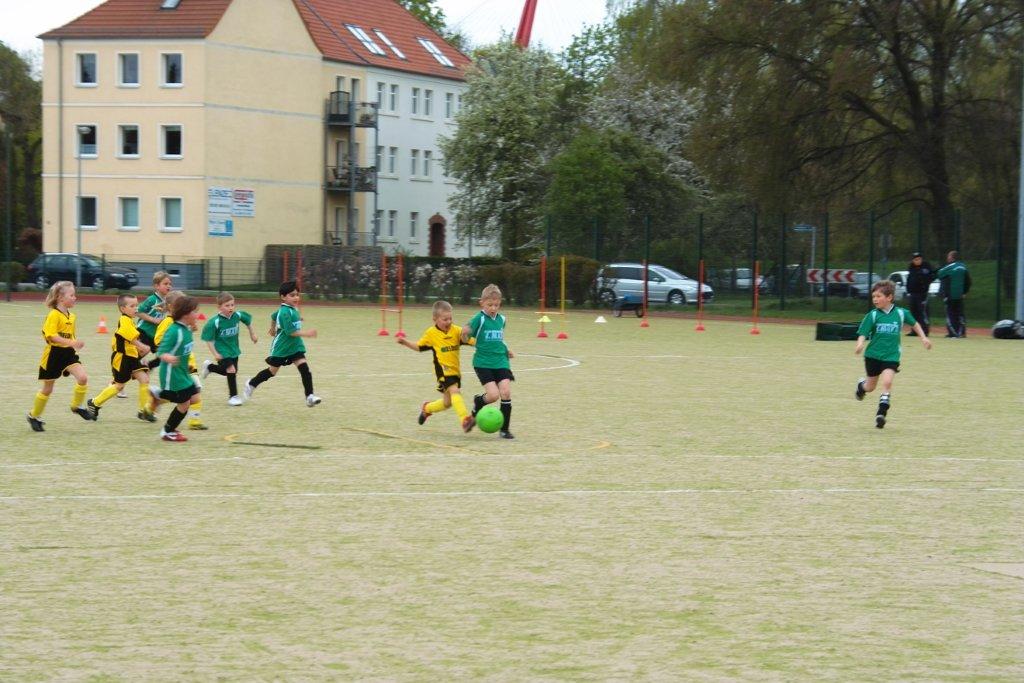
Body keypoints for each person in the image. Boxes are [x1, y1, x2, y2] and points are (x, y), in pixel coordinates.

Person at [854, 280, 932, 428]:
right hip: (872, 356)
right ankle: (861, 387)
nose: (875, 299)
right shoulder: (873, 315)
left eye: (878, 296)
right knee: (870, 387)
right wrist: (860, 343)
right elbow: (863, 332)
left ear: (889, 297)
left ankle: (881, 413)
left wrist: (923, 337)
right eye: (873, 296)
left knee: (887, 382)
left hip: (891, 356)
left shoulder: (901, 313)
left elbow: (915, 324)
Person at [27, 281, 96, 431]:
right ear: (60, 297)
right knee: (48, 389)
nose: (75, 298)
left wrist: (74, 345)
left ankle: (76, 406)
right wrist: (72, 342)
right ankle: (33, 416)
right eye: (72, 295)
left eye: (74, 295)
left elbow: (70, 336)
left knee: (83, 378)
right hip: (53, 355)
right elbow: (52, 336)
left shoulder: (72, 316)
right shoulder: (53, 315)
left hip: (68, 354)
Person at [398, 300, 476, 432]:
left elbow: (473, 341)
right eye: (445, 319)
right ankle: (465, 420)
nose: (448, 321)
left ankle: (427, 408)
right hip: (443, 372)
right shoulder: (431, 333)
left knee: (447, 403)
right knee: (455, 391)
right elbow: (419, 347)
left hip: (455, 372)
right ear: (435, 319)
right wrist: (405, 342)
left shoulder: (457, 331)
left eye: (450, 318)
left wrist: (473, 336)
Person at [244, 281, 320, 406]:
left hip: (295, 347)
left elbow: (274, 316)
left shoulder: (292, 308)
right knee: (272, 372)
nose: (296, 297)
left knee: (304, 369)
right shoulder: (285, 312)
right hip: (281, 348)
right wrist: (308, 333)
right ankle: (251, 383)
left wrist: (273, 328)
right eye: (292, 295)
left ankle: (310, 396)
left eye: (297, 295)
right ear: (283, 297)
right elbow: (291, 332)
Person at [460, 283, 516, 439]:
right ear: (482, 303)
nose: (493, 308)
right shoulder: (479, 319)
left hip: (501, 361)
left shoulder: (502, 319)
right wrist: (464, 333)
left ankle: (504, 430)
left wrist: (506, 349)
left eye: (496, 305)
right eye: (490, 305)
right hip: (483, 363)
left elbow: (499, 338)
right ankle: (479, 401)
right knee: (493, 396)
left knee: (506, 392)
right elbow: (465, 338)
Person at [86, 294, 153, 420]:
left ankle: (144, 411)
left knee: (144, 379)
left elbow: (130, 340)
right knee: (119, 386)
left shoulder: (129, 320)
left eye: (136, 305)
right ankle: (94, 403)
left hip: (132, 357)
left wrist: (138, 351)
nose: (136, 308)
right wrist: (142, 346)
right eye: (132, 306)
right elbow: (131, 338)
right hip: (122, 359)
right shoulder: (124, 320)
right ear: (123, 309)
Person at [149, 290, 206, 428]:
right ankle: (193, 420)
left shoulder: (185, 323)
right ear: (172, 307)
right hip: (176, 365)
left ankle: (159, 399)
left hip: (187, 362)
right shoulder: (168, 323)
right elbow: (158, 341)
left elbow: (185, 340)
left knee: (192, 394)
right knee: (192, 393)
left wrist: (192, 328)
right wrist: (168, 353)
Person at [200, 292, 258, 406]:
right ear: (219, 307)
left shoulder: (237, 315)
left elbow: (248, 321)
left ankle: (210, 367)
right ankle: (233, 397)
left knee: (229, 371)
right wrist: (215, 353)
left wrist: (252, 334)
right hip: (222, 350)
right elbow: (208, 339)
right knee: (231, 370)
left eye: (232, 305)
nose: (230, 308)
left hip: (233, 349)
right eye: (227, 305)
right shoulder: (215, 322)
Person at [936, 250, 971, 338]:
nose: (947, 258)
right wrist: (964, 292)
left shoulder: (950, 267)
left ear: (952, 258)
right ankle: (962, 332)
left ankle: (953, 333)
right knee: (960, 314)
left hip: (950, 295)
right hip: (960, 295)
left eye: (949, 256)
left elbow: (939, 274)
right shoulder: (963, 267)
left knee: (950, 314)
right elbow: (968, 281)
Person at [136, 270, 173, 354]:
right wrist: (153, 320)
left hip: (155, 334)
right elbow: (138, 312)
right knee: (139, 354)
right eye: (165, 284)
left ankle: (147, 363)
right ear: (157, 286)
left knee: (164, 354)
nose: (169, 286)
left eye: (170, 284)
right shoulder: (152, 299)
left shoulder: (167, 301)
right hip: (143, 332)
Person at [905, 252, 936, 336]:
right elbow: (909, 279)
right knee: (913, 312)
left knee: (923, 312)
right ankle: (914, 331)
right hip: (912, 294)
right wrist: (908, 290)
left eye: (919, 259)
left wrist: (926, 283)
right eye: (915, 259)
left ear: (921, 259)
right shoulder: (911, 267)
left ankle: (925, 331)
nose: (917, 261)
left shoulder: (926, 266)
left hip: (922, 294)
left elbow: (933, 275)